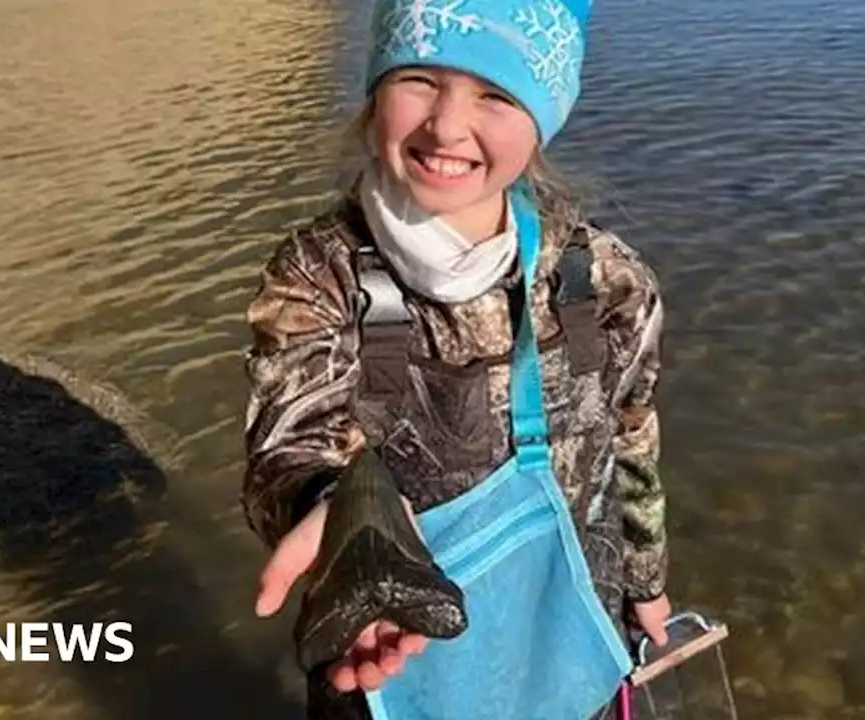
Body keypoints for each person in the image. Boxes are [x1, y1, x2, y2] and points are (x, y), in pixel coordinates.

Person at [241, 0, 671, 717]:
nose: (445, 125)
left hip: (566, 634)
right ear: (375, 89)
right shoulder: (320, 276)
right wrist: (344, 515)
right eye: (418, 79)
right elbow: (288, 441)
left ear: (544, 114)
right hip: (383, 643)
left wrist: (648, 582)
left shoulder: (604, 281)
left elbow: (631, 436)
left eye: (495, 94)